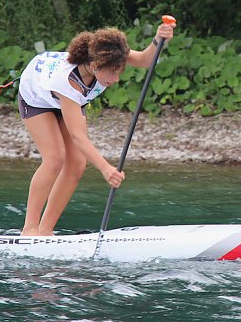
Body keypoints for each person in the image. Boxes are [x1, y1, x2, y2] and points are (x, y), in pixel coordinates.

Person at [16, 20, 175, 236]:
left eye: (119, 71)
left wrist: (158, 38)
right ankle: (30, 229)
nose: (116, 79)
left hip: (70, 100)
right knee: (55, 158)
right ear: (93, 66)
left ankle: (46, 230)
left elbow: (146, 60)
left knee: (77, 164)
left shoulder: (110, 54)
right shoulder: (68, 82)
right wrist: (106, 168)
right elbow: (78, 137)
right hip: (36, 98)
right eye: (112, 73)